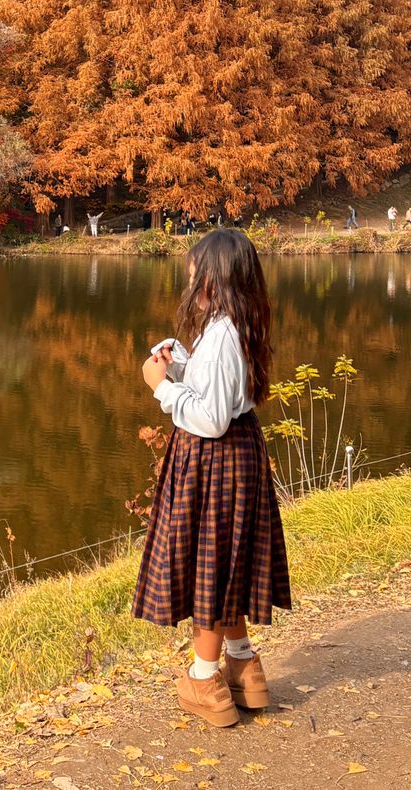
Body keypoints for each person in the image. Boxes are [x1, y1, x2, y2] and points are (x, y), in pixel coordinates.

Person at [132, 228, 291, 727]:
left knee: (212, 565)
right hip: (234, 456)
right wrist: (183, 358)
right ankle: (243, 667)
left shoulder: (223, 335)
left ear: (216, 280)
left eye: (194, 272)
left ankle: (205, 681)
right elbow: (218, 389)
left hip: (215, 459)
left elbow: (210, 418)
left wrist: (162, 388)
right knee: (229, 560)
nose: (188, 279)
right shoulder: (235, 324)